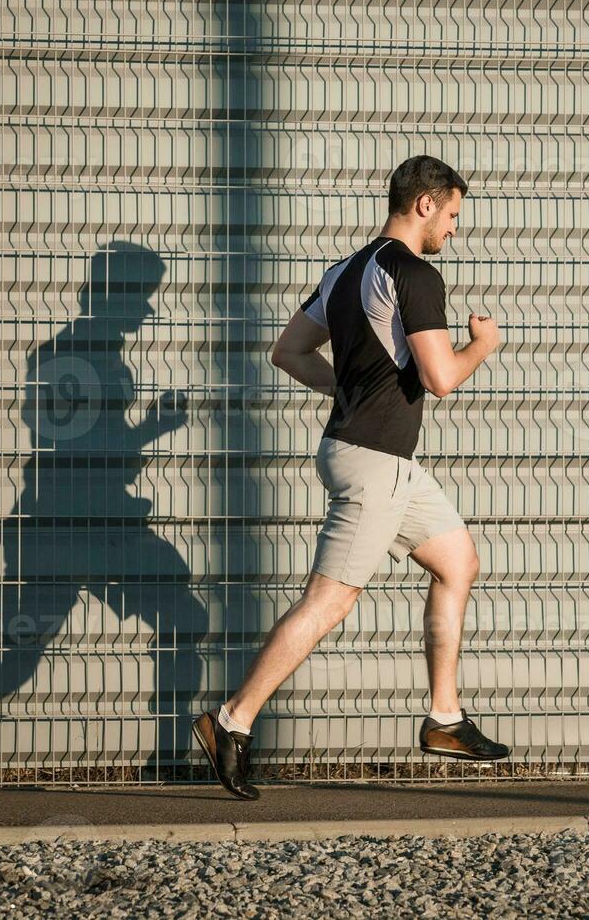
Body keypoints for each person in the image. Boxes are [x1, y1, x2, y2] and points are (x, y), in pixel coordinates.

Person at [191, 155, 509, 799]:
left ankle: (444, 718)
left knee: (458, 561)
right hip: (374, 466)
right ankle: (232, 721)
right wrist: (483, 344)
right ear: (425, 205)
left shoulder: (343, 271)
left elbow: (287, 351)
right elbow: (441, 378)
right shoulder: (416, 274)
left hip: (379, 459)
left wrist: (354, 388)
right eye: (451, 215)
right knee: (329, 601)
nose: (453, 228)